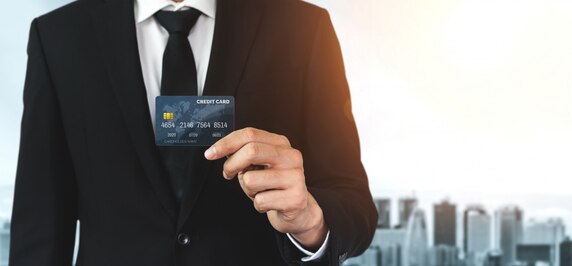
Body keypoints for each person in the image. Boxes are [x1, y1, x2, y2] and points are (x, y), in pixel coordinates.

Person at [10, 0, 377, 265]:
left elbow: (354, 205)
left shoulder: (302, 29)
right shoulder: (58, 37)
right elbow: (38, 231)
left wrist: (310, 221)